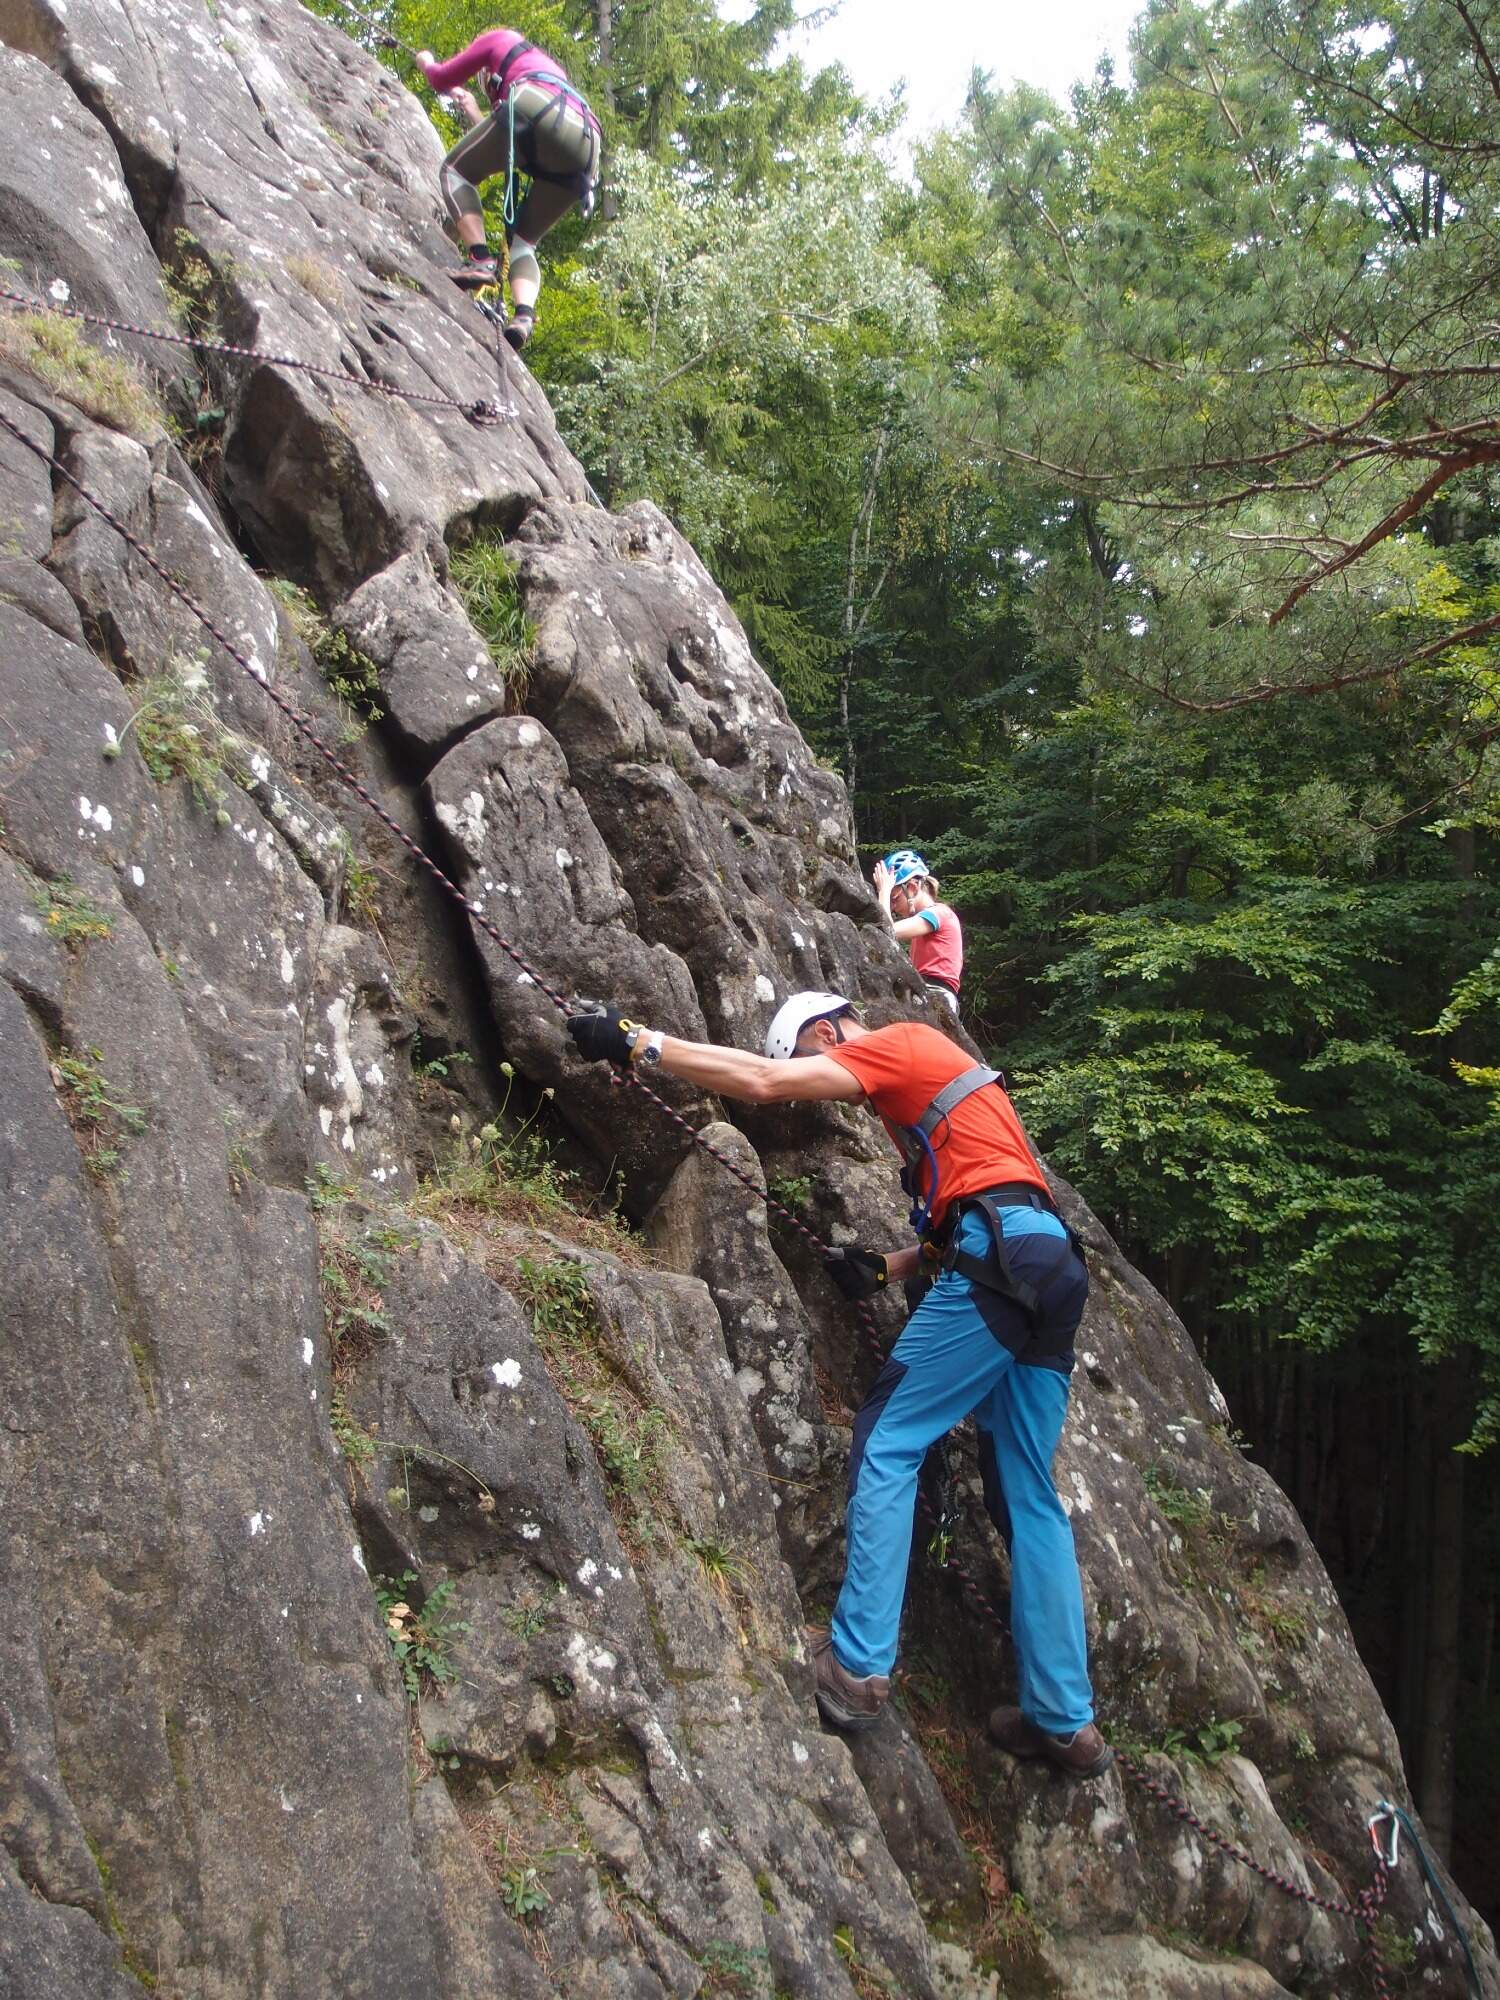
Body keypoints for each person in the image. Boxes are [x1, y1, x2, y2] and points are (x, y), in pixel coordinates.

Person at [565, 990, 1110, 1776]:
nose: (822, 1076)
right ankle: (1065, 1721)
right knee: (1026, 1492)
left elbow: (758, 1081)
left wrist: (636, 1042)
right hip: (1049, 1265)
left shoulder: (899, 1045)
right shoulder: (951, 1093)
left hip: (1002, 1262)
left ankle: (855, 1667)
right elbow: (992, 1203)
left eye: (815, 1059)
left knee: (889, 1438)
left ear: (825, 1033)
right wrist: (885, 1268)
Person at [415, 29, 601, 352]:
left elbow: (441, 79)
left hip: (535, 105)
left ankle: (481, 260)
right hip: (587, 142)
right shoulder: (542, 66)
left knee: (454, 171)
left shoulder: (500, 39)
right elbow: (508, 145)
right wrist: (474, 109)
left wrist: (427, 62)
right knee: (525, 242)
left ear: (489, 75)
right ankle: (525, 315)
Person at [873, 849, 962, 1016]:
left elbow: (887, 930)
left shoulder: (939, 913)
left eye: (894, 899)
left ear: (912, 887)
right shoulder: (925, 923)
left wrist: (884, 891)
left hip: (937, 994)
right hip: (927, 991)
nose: (892, 907)